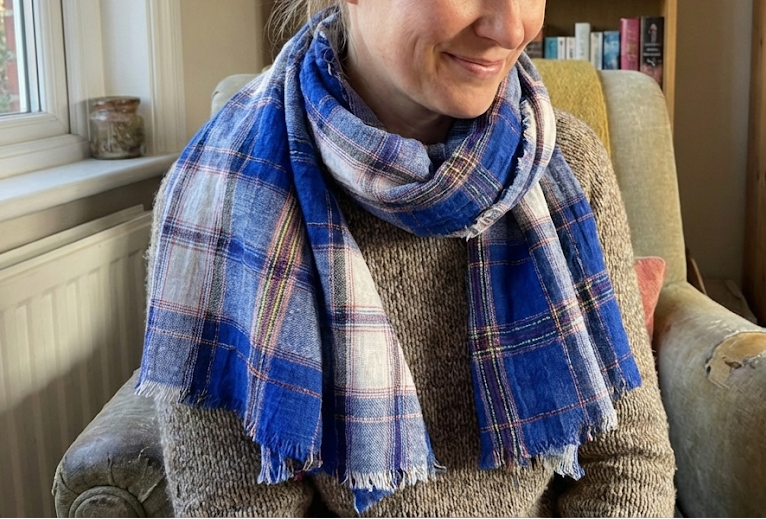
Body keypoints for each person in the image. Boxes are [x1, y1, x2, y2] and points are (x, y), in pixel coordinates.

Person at [134, 0, 677, 516]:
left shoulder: (568, 165)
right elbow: (238, 503)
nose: (513, 28)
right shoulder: (222, 197)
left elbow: (626, 462)